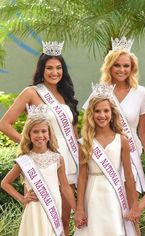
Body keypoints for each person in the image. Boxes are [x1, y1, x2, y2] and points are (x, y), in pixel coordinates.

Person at [0, 41, 79, 236]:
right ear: (41, 70)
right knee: (44, 213)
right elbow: (4, 124)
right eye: (49, 68)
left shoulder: (65, 94)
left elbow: (72, 130)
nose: (54, 72)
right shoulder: (32, 92)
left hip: (67, 159)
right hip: (43, 159)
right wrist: (31, 146)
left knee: (64, 219)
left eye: (59, 68)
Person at [74, 84, 139, 236]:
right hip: (93, 194)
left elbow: (129, 176)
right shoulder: (85, 142)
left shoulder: (122, 140)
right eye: (97, 111)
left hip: (114, 194)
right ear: (91, 114)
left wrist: (134, 205)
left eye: (106, 111)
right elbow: (82, 177)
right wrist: (79, 208)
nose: (102, 115)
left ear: (112, 113)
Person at [1, 113, 76, 236]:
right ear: (29, 135)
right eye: (35, 132)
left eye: (43, 131)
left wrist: (77, 210)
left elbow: (65, 186)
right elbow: (5, 183)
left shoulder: (57, 158)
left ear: (49, 134)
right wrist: (22, 199)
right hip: (34, 208)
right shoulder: (25, 160)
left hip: (53, 207)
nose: (40, 135)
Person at [99, 36, 145, 194]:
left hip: (132, 153)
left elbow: (144, 132)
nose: (121, 70)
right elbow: (91, 128)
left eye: (126, 66)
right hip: (104, 153)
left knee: (130, 207)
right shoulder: (100, 91)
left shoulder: (141, 92)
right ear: (109, 67)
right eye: (116, 65)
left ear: (132, 68)